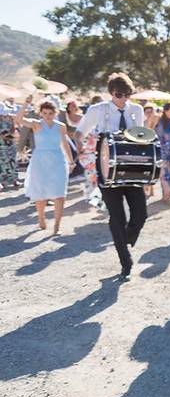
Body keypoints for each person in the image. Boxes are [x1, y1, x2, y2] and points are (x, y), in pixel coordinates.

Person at [75, 72, 146, 278]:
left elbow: (141, 136)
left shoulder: (137, 110)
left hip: (132, 167)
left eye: (127, 94)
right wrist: (80, 147)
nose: (123, 99)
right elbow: (80, 132)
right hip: (107, 169)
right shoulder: (98, 110)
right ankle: (125, 261)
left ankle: (125, 240)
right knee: (117, 216)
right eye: (119, 94)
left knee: (140, 214)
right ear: (111, 93)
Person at [18, 100, 74, 234]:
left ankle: (57, 226)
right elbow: (18, 119)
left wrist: (71, 161)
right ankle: (41, 218)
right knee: (40, 193)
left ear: (55, 113)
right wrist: (26, 103)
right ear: (40, 113)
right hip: (40, 160)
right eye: (44, 113)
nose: (48, 115)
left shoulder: (61, 126)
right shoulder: (36, 124)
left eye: (50, 113)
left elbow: (65, 144)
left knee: (59, 194)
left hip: (58, 159)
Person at [154, 103, 170, 202]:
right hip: (162, 151)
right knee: (164, 174)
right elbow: (158, 137)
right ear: (165, 111)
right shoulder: (159, 122)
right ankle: (165, 194)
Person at [0, 97, 21, 191]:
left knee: (13, 160)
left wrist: (11, 132)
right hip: (1, 143)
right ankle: (2, 181)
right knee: (3, 162)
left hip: (10, 142)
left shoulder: (9, 118)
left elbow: (13, 128)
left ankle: (14, 179)